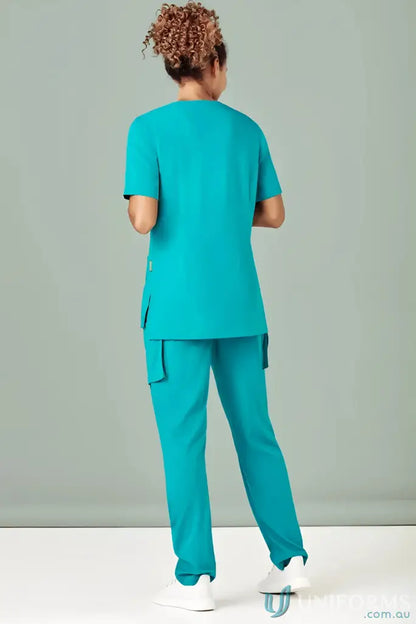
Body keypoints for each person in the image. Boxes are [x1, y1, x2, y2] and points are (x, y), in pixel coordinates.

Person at [123, 0, 310, 611]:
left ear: (174, 66)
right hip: (240, 309)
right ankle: (290, 561)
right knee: (256, 432)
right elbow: (274, 214)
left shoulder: (147, 129)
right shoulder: (247, 130)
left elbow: (143, 218)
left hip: (176, 313)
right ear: (216, 62)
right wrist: (226, 211)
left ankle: (194, 580)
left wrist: (162, 204)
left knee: (184, 442)